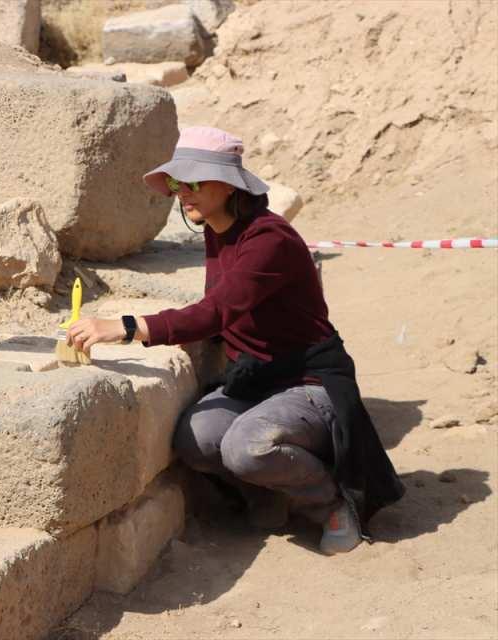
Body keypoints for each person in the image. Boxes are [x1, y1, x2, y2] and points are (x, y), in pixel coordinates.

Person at [66, 126, 404, 555]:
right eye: (176, 184)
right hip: (256, 378)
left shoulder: (268, 240)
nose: (181, 194)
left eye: (193, 182)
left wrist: (127, 326)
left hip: (309, 381)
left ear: (227, 186)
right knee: (196, 438)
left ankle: (331, 504)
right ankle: (270, 495)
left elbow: (215, 312)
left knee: (246, 448)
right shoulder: (217, 227)